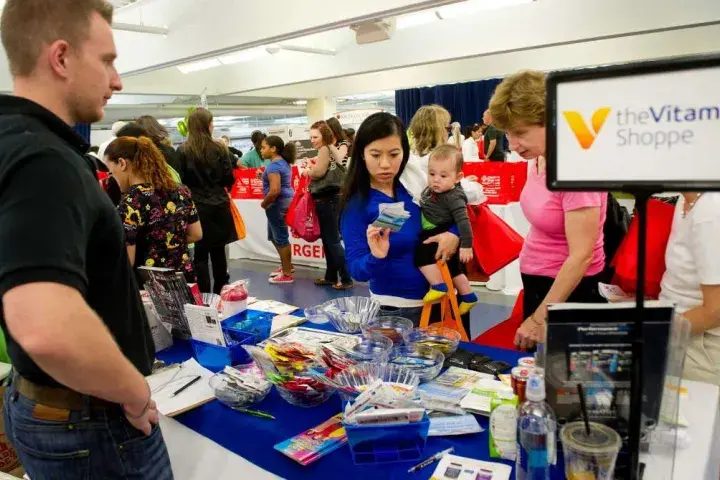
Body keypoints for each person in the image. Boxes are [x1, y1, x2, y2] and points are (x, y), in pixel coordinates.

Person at [0, 1, 172, 478]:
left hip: (50, 404)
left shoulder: (14, 142)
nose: (116, 80)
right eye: (108, 60)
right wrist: (133, 393)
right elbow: (45, 327)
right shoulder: (45, 160)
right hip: (89, 420)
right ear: (60, 57)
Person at [488, 71, 607, 350]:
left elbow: (582, 255)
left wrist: (541, 318)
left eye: (520, 133)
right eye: (507, 133)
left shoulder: (576, 170)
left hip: (568, 294)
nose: (512, 144)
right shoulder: (539, 158)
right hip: (541, 285)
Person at [341, 112, 461, 327]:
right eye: (375, 155)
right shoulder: (358, 204)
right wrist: (376, 256)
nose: (385, 164)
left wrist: (453, 234)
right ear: (362, 155)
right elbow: (357, 270)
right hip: (396, 311)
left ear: (404, 153)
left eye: (394, 154)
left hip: (442, 300)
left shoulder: (414, 188)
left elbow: (452, 213)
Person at [105, 136, 202, 283]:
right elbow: (196, 234)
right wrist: (167, 243)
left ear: (122, 163)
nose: (112, 178)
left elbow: (127, 261)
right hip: (184, 277)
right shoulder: (181, 191)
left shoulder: (131, 202)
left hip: (150, 285)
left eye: (112, 172)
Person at [659, 192, 720, 385]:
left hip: (702, 346)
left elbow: (715, 310)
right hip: (685, 334)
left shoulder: (710, 210)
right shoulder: (689, 199)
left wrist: (655, 331)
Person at [178, 107, 237, 294]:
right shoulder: (220, 148)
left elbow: (180, 179)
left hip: (196, 206)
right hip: (219, 204)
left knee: (200, 255)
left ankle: (203, 294)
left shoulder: (183, 150)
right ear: (208, 125)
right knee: (219, 251)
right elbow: (229, 178)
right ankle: (221, 290)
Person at [416, 145, 479, 315]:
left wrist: (466, 245)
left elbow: (464, 222)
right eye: (432, 174)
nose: (436, 180)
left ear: (458, 177)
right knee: (453, 268)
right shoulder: (435, 190)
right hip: (436, 227)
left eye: (443, 176)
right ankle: (468, 295)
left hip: (439, 230)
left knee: (421, 255)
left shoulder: (454, 197)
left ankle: (438, 285)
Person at [307, 120, 353, 290]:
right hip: (332, 198)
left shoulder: (324, 149)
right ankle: (331, 275)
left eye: (315, 136)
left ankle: (346, 278)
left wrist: (308, 171)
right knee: (328, 239)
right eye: (311, 137)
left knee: (332, 240)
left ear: (324, 135)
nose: (312, 140)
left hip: (327, 199)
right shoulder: (332, 147)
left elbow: (319, 172)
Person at [260, 136, 297, 284]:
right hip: (283, 202)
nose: (261, 150)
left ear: (273, 148)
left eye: (264, 147)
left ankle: (287, 274)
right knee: (274, 237)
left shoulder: (274, 166)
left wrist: (264, 203)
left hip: (277, 204)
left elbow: (275, 190)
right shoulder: (282, 162)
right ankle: (287, 265)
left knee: (281, 238)